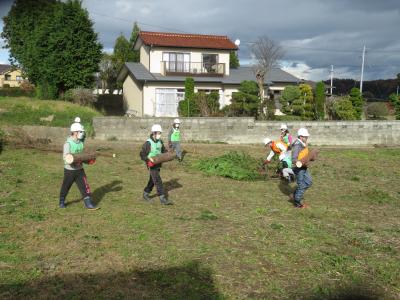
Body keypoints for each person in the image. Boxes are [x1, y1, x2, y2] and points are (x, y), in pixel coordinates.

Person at [59, 121, 98, 210]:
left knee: (85, 186)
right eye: (80, 132)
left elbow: (82, 156)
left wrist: (88, 161)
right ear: (74, 132)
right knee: (66, 186)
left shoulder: (80, 143)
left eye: (82, 132)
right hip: (69, 170)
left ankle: (88, 203)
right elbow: (65, 158)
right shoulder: (67, 144)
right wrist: (73, 160)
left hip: (80, 170)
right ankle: (61, 201)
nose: (81, 133)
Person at [140, 124, 173, 205]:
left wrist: (169, 154)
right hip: (151, 164)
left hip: (158, 163)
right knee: (157, 180)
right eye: (158, 133)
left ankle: (146, 193)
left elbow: (163, 151)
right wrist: (148, 159)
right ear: (154, 133)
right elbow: (142, 154)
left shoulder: (160, 142)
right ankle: (162, 198)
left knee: (152, 180)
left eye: (160, 133)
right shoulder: (148, 143)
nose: (159, 135)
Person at [291, 128, 313, 208]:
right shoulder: (297, 145)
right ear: (300, 137)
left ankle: (295, 194)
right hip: (299, 168)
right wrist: (298, 163)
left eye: (307, 136)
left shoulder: (302, 144)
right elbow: (294, 158)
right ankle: (297, 202)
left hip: (304, 167)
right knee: (301, 185)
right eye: (305, 137)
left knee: (309, 181)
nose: (307, 138)